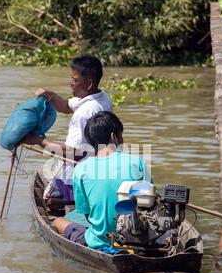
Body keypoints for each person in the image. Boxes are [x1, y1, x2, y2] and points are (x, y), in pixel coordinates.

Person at [22, 54, 112, 207]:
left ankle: (77, 200)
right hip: (99, 162)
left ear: (89, 83)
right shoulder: (101, 97)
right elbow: (65, 106)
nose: (70, 83)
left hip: (83, 167)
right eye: (71, 78)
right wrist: (49, 95)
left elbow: (71, 152)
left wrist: (37, 140)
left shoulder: (84, 113)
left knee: (48, 199)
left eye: (75, 80)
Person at [53, 111, 151, 250]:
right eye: (121, 135)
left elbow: (86, 214)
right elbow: (151, 201)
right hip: (140, 239)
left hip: (101, 241)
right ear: (113, 136)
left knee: (58, 221)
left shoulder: (81, 169)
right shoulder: (137, 162)